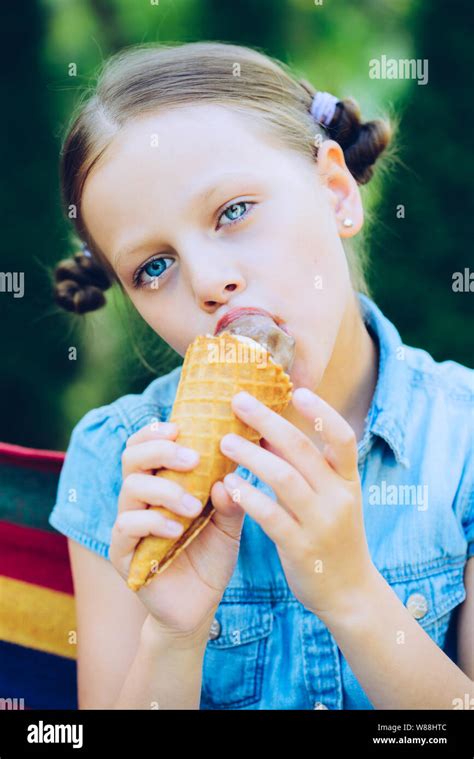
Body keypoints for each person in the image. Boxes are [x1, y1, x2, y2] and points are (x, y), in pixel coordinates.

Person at [49, 41, 473, 710]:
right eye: (154, 267)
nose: (210, 281)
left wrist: (353, 596)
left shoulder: (462, 442)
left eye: (233, 211)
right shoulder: (118, 469)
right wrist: (173, 635)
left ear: (335, 191)